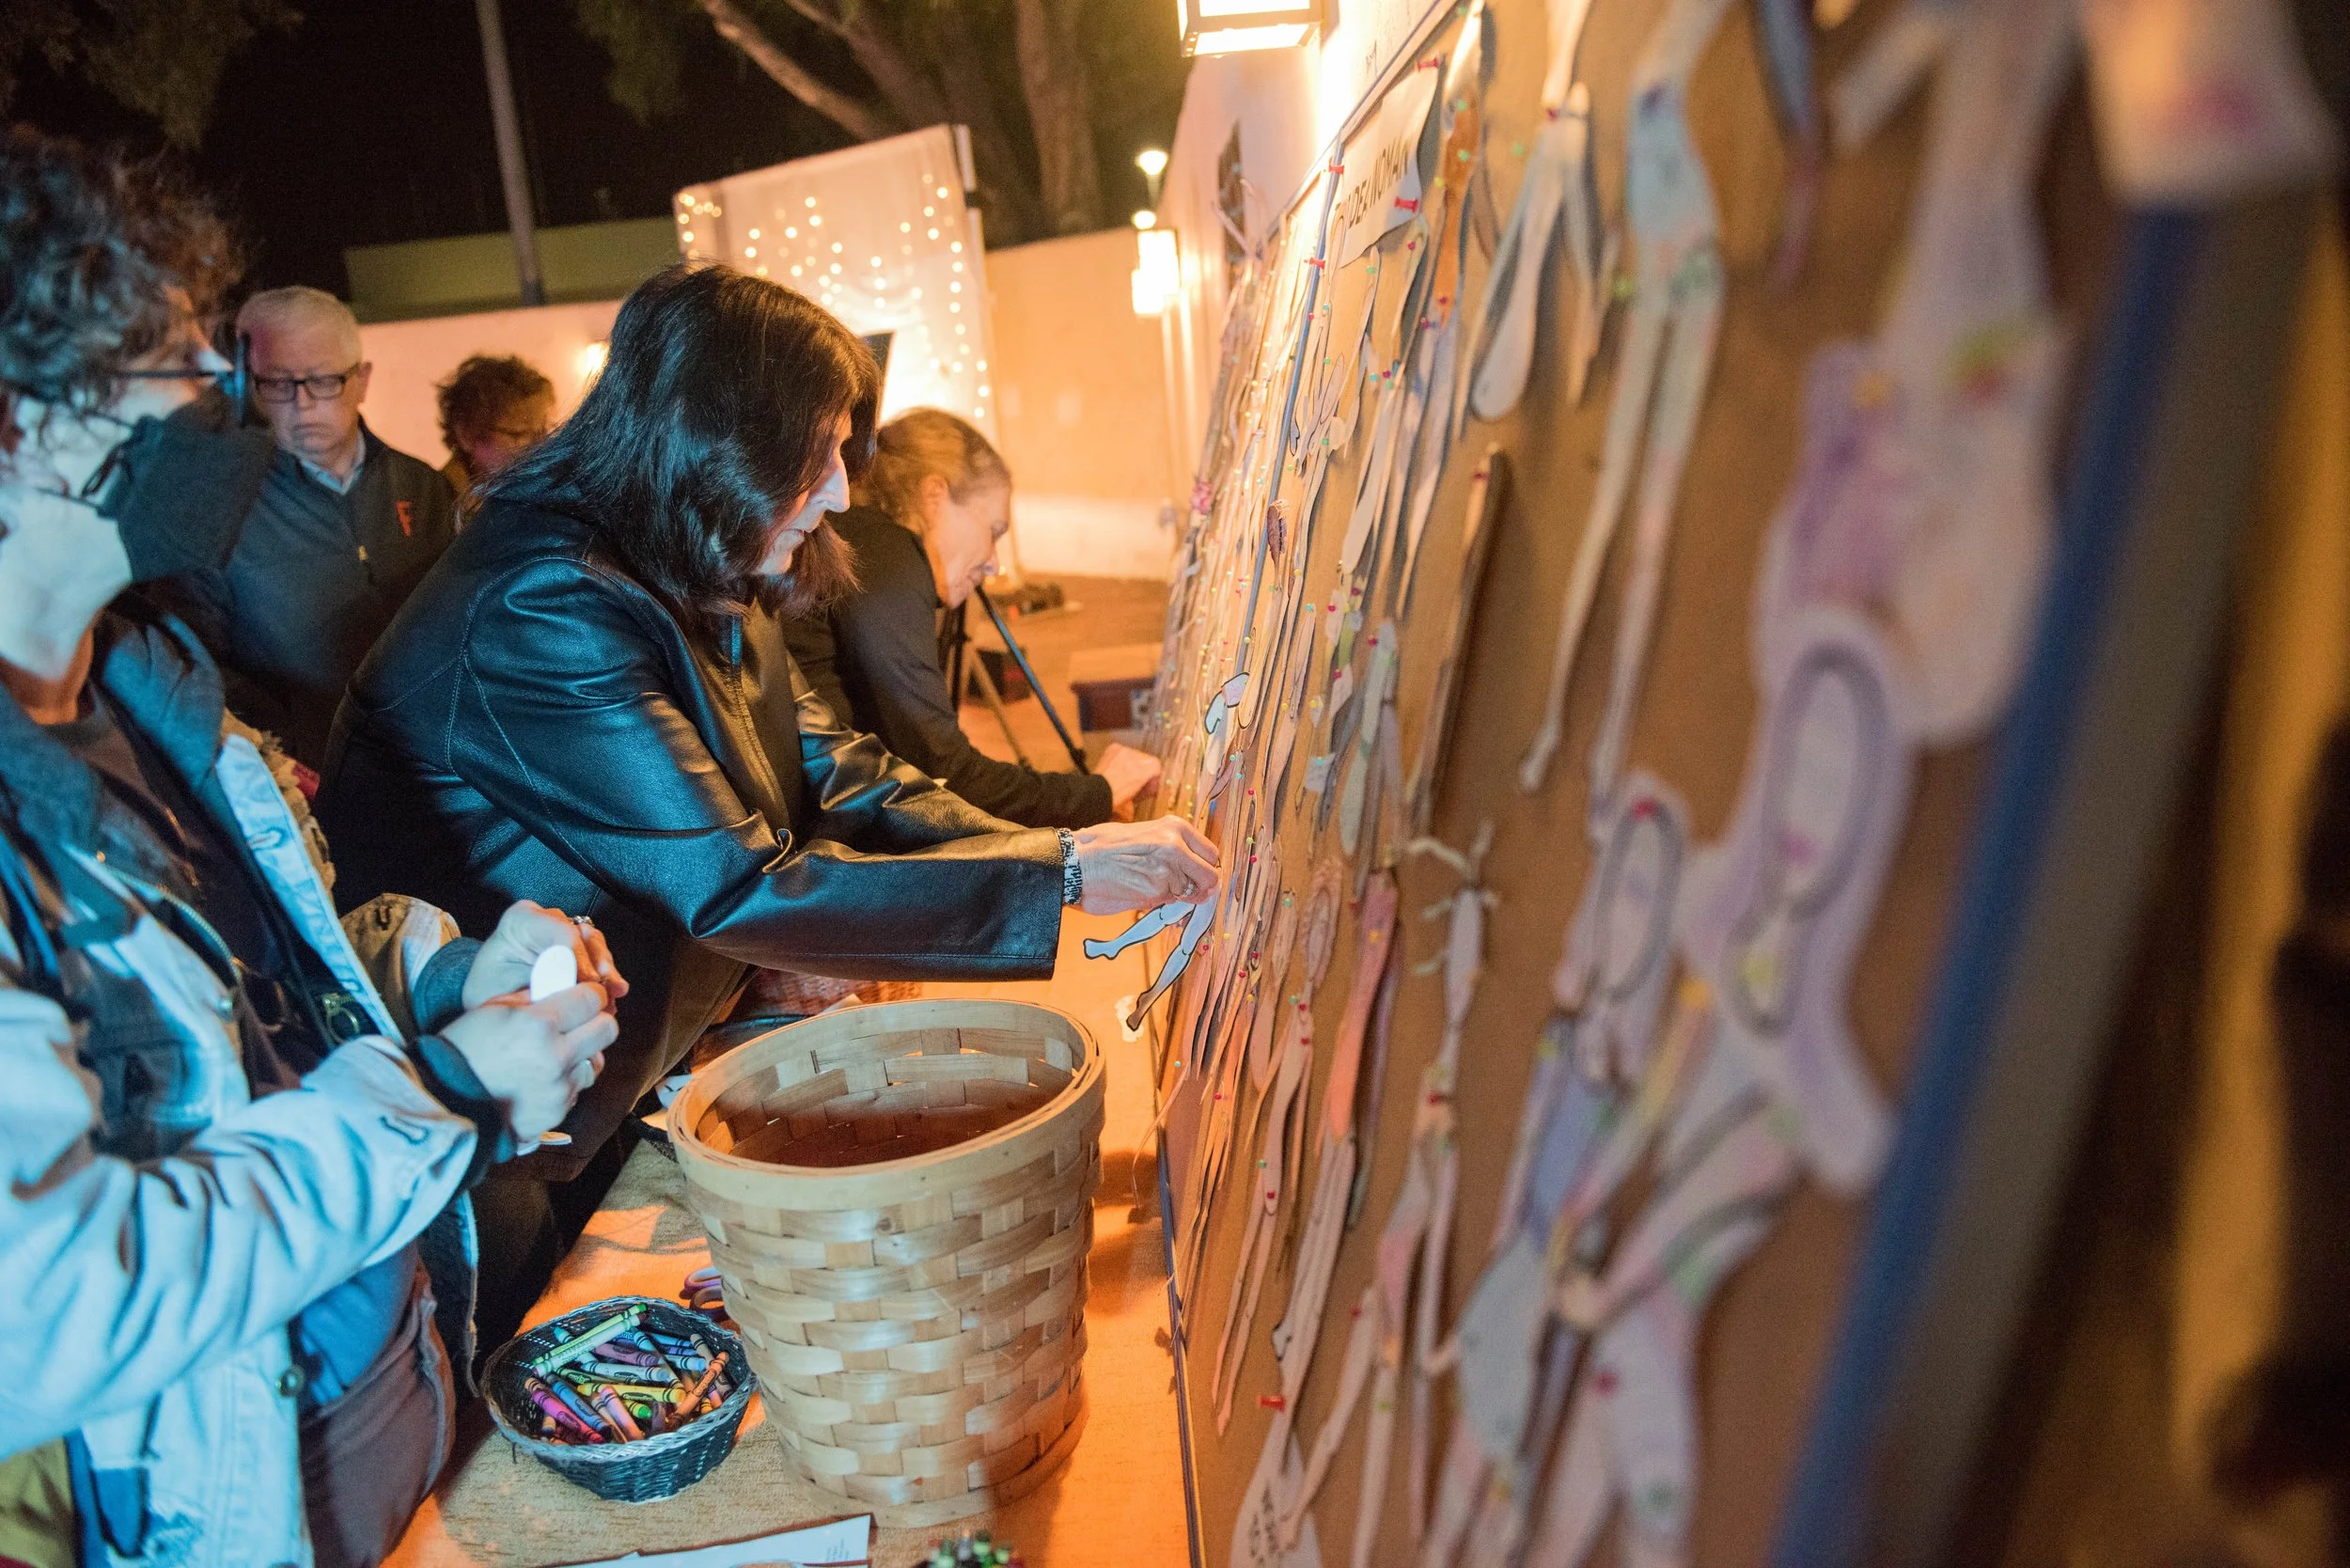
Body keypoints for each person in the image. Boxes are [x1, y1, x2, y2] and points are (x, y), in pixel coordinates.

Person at [320, 262, 1219, 1348]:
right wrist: (1061, 880)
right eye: (825, 451)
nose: (844, 489)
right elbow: (737, 884)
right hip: (492, 1123)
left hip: (605, 1067)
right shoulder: (539, 599)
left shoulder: (681, 558)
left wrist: (1059, 845)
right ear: (721, 440)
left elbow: (833, 768)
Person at [0, 129, 622, 1567]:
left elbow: (264, 996)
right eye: (176, 375)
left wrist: (453, 976)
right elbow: (54, 1312)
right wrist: (446, 1102)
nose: (233, 418)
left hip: (385, 1421)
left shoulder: (149, 693)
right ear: (26, 426)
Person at [783, 408, 1162, 828]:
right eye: (993, 530)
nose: (993, 564)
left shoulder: (867, 541)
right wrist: (1100, 792)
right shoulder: (886, 556)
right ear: (935, 496)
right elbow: (944, 775)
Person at [155, 285, 460, 773]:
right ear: (248, 385)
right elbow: (195, 665)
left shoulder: (422, 488)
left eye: (322, 380)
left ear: (362, 380)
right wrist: (290, 745)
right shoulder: (215, 509)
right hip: (310, 779)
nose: (301, 403)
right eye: (277, 383)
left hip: (434, 765)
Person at [435, 352, 555, 497]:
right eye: (518, 433)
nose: (537, 445)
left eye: (540, 433)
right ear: (466, 434)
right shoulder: (436, 504)